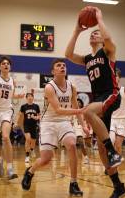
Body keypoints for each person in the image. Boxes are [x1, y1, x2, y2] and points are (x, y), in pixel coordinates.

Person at [65, 6, 125, 197]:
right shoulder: (88, 58)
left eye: (96, 33)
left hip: (111, 94)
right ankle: (118, 186)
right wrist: (76, 30)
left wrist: (99, 18)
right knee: (100, 150)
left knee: (88, 111)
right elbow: (68, 55)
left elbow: (107, 39)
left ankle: (112, 150)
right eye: (92, 34)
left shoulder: (108, 51)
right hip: (99, 98)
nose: (94, 35)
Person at [21, 59, 86, 196]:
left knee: (72, 145)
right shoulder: (49, 87)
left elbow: (75, 106)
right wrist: (79, 112)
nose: (62, 67)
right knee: (46, 159)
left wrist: (83, 125)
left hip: (64, 121)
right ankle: (30, 172)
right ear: (53, 71)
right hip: (48, 122)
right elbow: (58, 109)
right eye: (58, 65)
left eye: (64, 65)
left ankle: (73, 183)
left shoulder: (72, 87)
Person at [110, 68, 125, 154]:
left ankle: (116, 166)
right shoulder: (108, 90)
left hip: (122, 120)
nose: (114, 77)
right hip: (111, 120)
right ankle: (110, 163)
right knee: (111, 141)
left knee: (118, 145)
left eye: (115, 76)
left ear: (119, 77)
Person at [16, 93, 40, 163]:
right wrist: (16, 123)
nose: (30, 98)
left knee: (33, 141)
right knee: (28, 138)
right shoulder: (23, 106)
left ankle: (32, 149)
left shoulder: (36, 106)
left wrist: (36, 117)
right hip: (26, 125)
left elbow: (39, 116)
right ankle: (27, 156)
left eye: (31, 96)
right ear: (26, 98)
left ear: (33, 98)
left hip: (34, 125)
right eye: (28, 96)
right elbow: (19, 115)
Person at [73, 98, 90, 164]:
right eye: (76, 102)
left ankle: (86, 156)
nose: (78, 103)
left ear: (81, 103)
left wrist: (88, 127)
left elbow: (87, 120)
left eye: (79, 102)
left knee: (85, 143)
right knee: (78, 142)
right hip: (75, 128)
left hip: (82, 128)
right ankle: (84, 157)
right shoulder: (72, 111)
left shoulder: (84, 111)